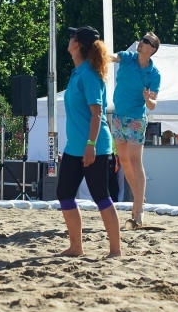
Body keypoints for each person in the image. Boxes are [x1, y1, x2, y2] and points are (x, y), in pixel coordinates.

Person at [56, 26, 121, 258]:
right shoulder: (77, 72)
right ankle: (76, 247)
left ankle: (115, 250)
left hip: (94, 146)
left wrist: (91, 145)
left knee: (101, 196)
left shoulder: (90, 75)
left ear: (78, 45)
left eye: (72, 36)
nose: (69, 38)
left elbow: (97, 114)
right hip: (74, 148)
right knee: (64, 193)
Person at [109, 31, 161, 229]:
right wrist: (97, 50)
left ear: (152, 49)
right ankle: (140, 197)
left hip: (135, 120)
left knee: (135, 162)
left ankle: (138, 211)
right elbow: (113, 56)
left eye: (146, 41)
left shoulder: (154, 74)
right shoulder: (128, 58)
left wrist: (149, 99)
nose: (141, 42)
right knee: (123, 162)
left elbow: (153, 105)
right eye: (141, 39)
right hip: (118, 118)